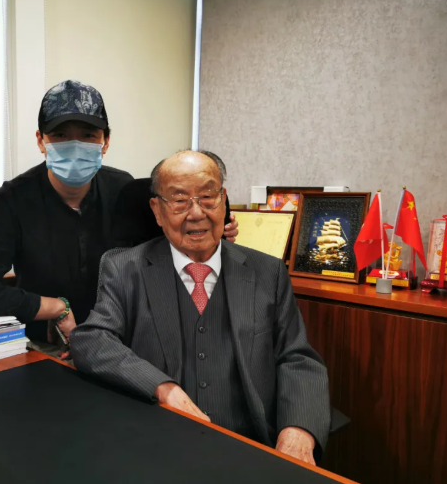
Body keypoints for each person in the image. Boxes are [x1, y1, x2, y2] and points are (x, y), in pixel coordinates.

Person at [70, 150, 330, 465]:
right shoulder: (125, 268)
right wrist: (161, 387)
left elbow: (297, 357)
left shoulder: (267, 271)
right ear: (157, 210)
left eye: (208, 197)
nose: (196, 213)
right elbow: (92, 339)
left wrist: (298, 430)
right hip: (157, 447)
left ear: (223, 200)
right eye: (179, 200)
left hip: (251, 449)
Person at [0, 80, 238, 355]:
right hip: (49, 345)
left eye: (88, 135)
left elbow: (163, 254)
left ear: (106, 142)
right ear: (41, 141)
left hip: (123, 340)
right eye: (60, 135)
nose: (75, 145)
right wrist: (56, 307)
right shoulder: (11, 201)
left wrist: (209, 234)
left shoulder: (124, 189)